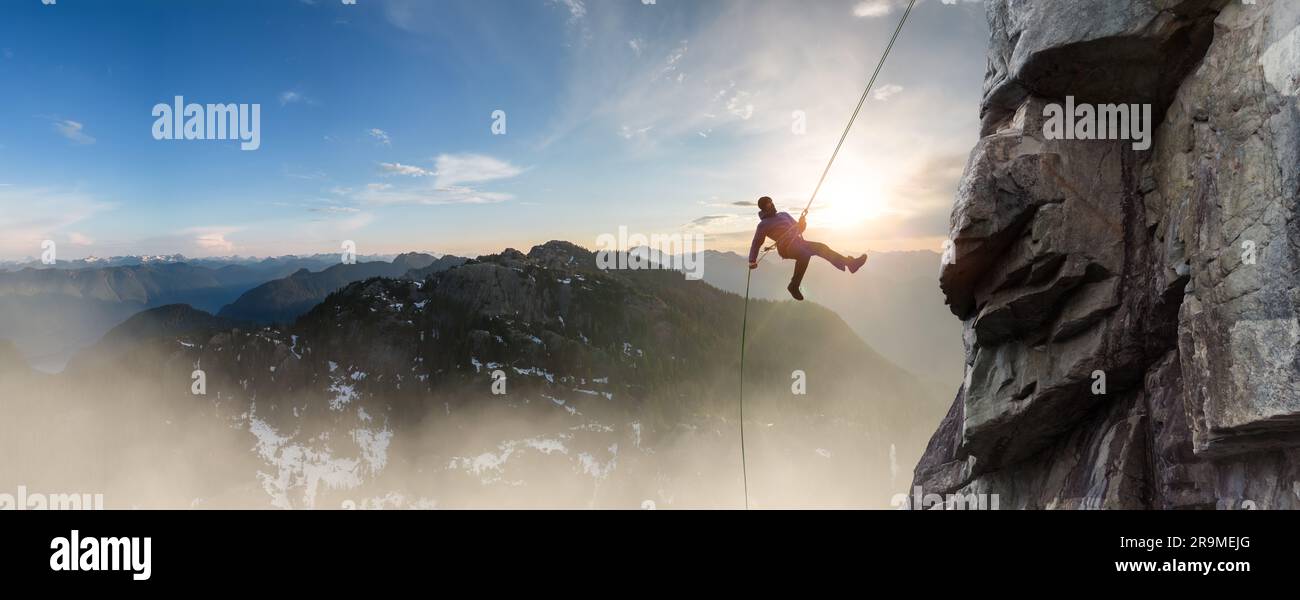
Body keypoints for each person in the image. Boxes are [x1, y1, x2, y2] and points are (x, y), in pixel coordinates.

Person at [748, 196, 867, 301]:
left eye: (771, 202)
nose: (772, 204)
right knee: (804, 255)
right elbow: (756, 242)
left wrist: (802, 222)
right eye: (768, 203)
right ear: (764, 208)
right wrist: (752, 260)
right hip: (786, 247)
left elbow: (799, 229)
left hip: (799, 242)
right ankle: (794, 286)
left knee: (821, 247)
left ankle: (850, 264)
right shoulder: (763, 224)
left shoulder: (783, 215)